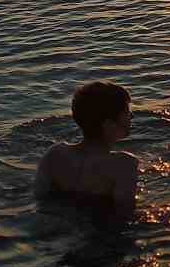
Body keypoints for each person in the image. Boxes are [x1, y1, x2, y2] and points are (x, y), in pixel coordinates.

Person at [35, 81, 139, 224]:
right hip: (97, 229)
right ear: (108, 125)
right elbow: (125, 213)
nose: (131, 117)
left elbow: (39, 198)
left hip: (56, 224)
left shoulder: (54, 154)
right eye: (126, 113)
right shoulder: (124, 164)